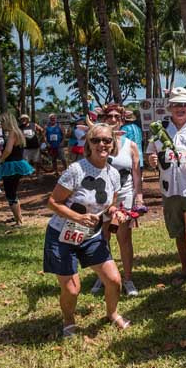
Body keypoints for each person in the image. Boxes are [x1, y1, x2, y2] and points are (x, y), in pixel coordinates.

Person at [45, 123, 130, 337]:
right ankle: (68, 320)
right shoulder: (76, 170)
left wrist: (115, 212)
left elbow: (109, 204)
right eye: (96, 140)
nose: (102, 144)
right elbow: (53, 202)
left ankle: (112, 313)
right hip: (62, 235)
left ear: (113, 144)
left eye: (107, 140)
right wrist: (79, 217)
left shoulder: (113, 174)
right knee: (72, 288)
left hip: (91, 236)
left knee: (113, 280)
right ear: (88, 143)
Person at [147, 87, 186, 280]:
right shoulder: (160, 127)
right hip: (170, 191)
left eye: (184, 104)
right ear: (169, 107)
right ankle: (185, 269)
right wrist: (151, 158)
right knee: (179, 231)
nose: (180, 108)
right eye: (176, 105)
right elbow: (151, 151)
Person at [89, 104, 144, 296]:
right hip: (101, 197)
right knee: (102, 236)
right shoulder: (97, 143)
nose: (113, 120)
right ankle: (103, 276)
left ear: (122, 120)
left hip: (124, 196)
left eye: (116, 116)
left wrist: (139, 196)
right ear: (103, 119)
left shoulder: (131, 145)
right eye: (108, 116)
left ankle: (127, 279)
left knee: (124, 237)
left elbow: (136, 173)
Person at [0, 113, 35, 226]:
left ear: (7, 122)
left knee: (10, 193)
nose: (1, 124)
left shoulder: (12, 133)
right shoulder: (18, 132)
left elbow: (8, 151)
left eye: (2, 122)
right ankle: (18, 217)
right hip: (17, 164)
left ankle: (19, 221)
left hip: (11, 166)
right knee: (13, 192)